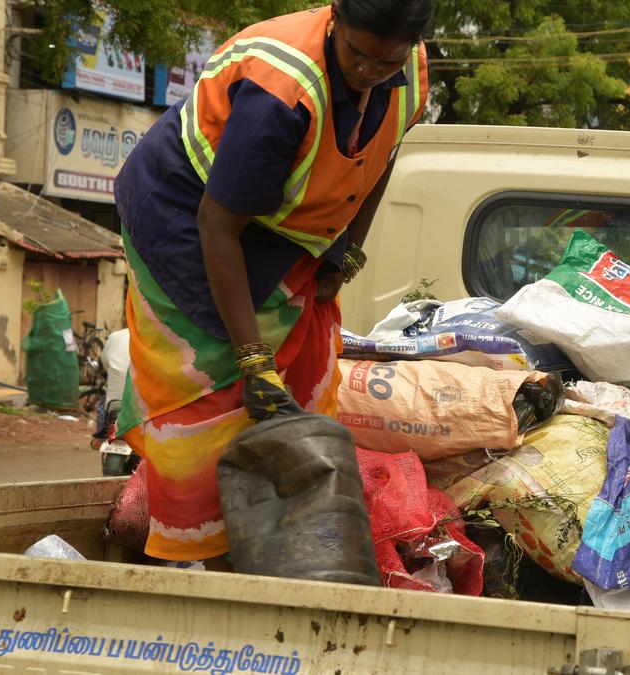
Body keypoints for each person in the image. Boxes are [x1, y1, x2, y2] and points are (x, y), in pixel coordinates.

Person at [112, 0, 432, 567]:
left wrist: (344, 251)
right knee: (214, 387)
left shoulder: (408, 74)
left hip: (280, 230)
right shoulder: (280, 92)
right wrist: (254, 360)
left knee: (304, 364)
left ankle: (280, 545)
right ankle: (194, 556)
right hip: (185, 220)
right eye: (357, 54)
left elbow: (380, 160)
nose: (369, 72)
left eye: (387, 63)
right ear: (335, 17)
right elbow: (217, 225)